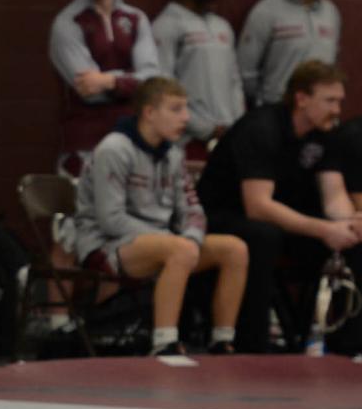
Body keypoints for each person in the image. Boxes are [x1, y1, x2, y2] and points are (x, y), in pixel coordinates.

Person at [195, 61, 362, 355]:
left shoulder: (325, 133)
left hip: (284, 218)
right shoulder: (261, 128)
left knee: (361, 240)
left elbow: (333, 196)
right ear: (302, 99)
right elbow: (258, 206)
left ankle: (354, 344)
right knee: (264, 236)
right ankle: (251, 341)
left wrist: (352, 221)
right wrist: (324, 229)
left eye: (340, 101)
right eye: (329, 101)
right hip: (225, 216)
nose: (338, 110)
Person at [69, 77, 249, 357]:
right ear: (150, 113)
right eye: (176, 109)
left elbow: (192, 209)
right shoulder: (114, 149)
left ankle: (222, 340)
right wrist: (171, 240)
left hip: (165, 244)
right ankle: (164, 342)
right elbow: (110, 220)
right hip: (107, 245)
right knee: (179, 250)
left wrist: (189, 237)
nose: (186, 118)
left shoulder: (173, 155)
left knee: (234, 249)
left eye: (186, 109)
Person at [49, 0, 159, 159]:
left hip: (132, 137)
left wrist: (108, 80)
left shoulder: (135, 18)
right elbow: (88, 90)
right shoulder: (68, 22)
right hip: (85, 143)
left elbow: (152, 81)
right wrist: (129, 80)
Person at [150, 0, 244, 144]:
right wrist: (205, 128)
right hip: (187, 139)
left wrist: (237, 125)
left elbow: (235, 82)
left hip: (228, 137)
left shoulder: (223, 27)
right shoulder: (166, 25)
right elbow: (162, 86)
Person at [238, 0, 340, 110]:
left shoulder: (331, 12)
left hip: (321, 113)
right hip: (279, 112)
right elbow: (246, 73)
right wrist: (267, 104)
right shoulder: (266, 11)